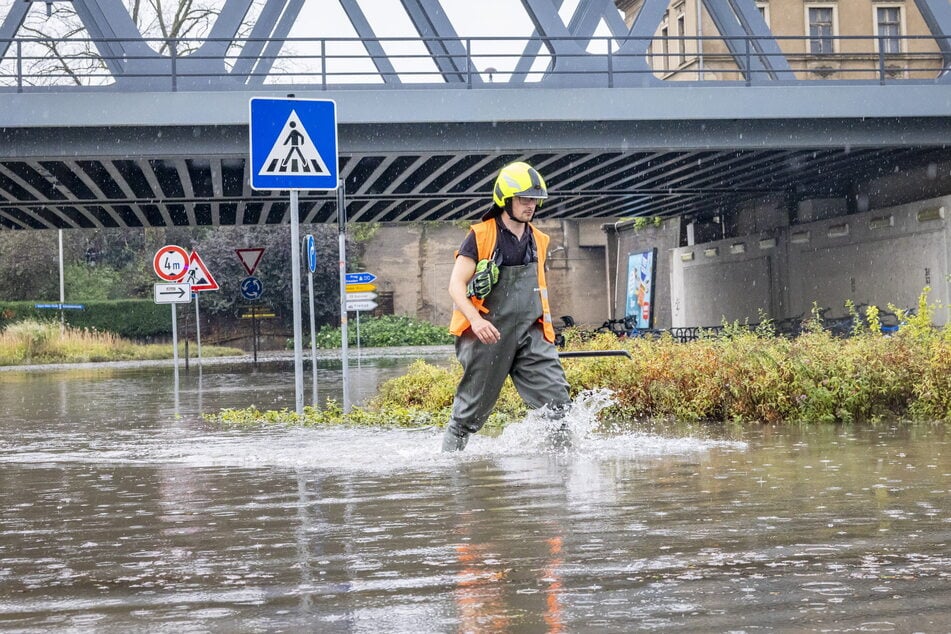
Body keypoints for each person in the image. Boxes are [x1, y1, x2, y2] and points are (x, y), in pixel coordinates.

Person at [442, 161, 571, 452]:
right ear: (505, 199)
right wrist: (475, 320)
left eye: (534, 200)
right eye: (524, 199)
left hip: (530, 332)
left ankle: (563, 472)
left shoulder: (539, 240)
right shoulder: (480, 235)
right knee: (468, 416)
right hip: (486, 334)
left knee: (558, 404)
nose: (531, 205)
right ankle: (449, 471)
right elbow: (455, 286)